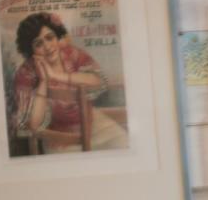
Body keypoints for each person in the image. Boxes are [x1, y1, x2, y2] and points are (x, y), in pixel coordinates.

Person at [8, 12, 128, 155]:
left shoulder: (71, 53)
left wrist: (57, 76)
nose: (47, 47)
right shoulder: (25, 73)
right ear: (31, 50)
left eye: (49, 38)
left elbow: (98, 80)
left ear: (57, 36)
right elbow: (33, 124)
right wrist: (44, 82)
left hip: (93, 125)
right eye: (38, 43)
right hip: (59, 139)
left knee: (124, 144)